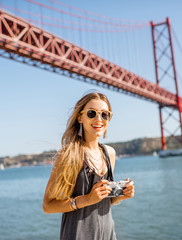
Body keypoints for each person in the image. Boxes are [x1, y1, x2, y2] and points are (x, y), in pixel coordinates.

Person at [43, 92, 135, 240]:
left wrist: (121, 196)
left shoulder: (109, 153)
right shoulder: (69, 155)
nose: (99, 119)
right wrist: (87, 199)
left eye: (105, 114)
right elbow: (48, 206)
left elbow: (104, 201)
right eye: (92, 113)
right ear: (80, 118)